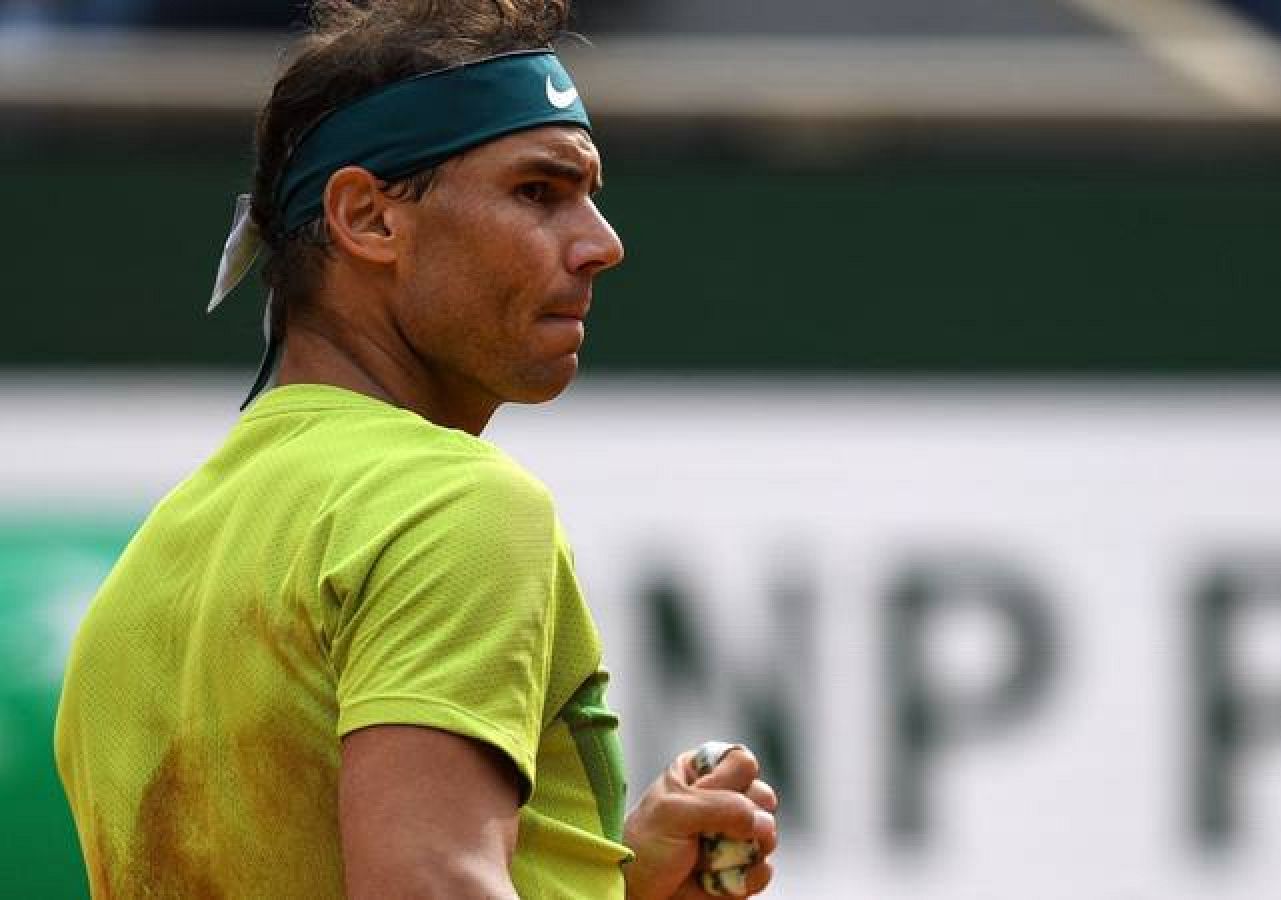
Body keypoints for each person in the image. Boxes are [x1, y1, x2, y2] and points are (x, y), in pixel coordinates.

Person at [52, 2, 778, 897]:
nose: (602, 244)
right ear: (368, 218)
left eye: (590, 197)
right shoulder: (450, 504)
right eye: (538, 192)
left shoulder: (144, 576)